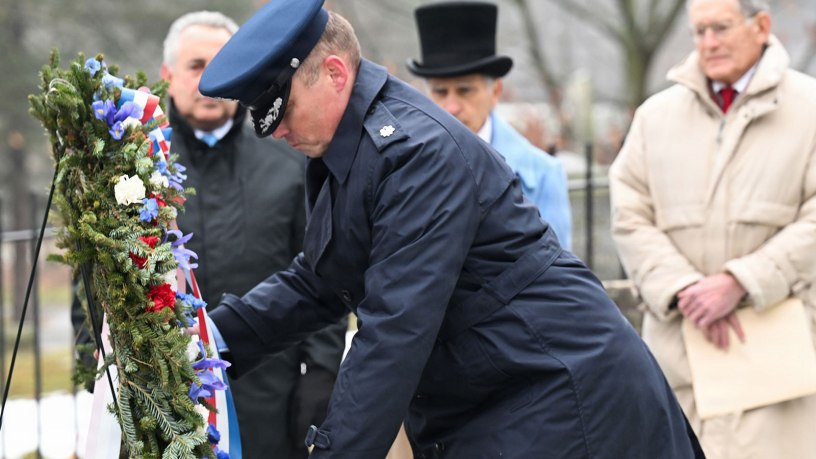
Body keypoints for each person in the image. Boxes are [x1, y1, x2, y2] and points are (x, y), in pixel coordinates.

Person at [198, 1, 704, 457]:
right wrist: (209, 339)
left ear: (334, 73)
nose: (278, 131)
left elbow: (395, 329)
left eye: (281, 111)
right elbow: (322, 280)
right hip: (506, 397)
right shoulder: (350, 147)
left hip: (561, 399)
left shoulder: (416, 154)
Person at [609, 0, 816, 457]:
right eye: (698, 31)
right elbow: (629, 212)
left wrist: (741, 281)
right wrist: (683, 286)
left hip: (779, 364)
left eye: (720, 28)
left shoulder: (810, 110)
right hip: (679, 357)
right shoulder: (654, 117)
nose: (708, 43)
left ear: (761, 26)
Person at [160, 11, 347, 459]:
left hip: (270, 405)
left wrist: (319, 380)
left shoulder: (291, 157)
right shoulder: (141, 167)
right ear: (168, 75)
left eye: (219, 64)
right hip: (164, 403)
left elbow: (325, 273)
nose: (207, 81)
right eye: (194, 66)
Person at [406, 1, 573, 250]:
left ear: (495, 91)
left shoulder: (542, 174)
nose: (451, 106)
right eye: (440, 92)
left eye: (465, 90)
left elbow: (558, 276)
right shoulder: (403, 166)